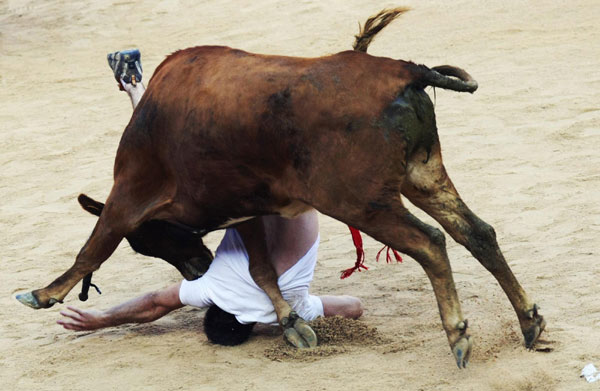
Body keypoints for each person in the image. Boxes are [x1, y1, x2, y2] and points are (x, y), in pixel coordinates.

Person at [57, 50, 363, 346]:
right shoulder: (211, 290)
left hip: (293, 197)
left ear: (250, 327)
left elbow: (353, 306)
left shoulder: (296, 308)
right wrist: (100, 319)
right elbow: (154, 304)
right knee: (170, 171)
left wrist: (293, 308)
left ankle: (138, 91)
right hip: (254, 197)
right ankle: (135, 88)